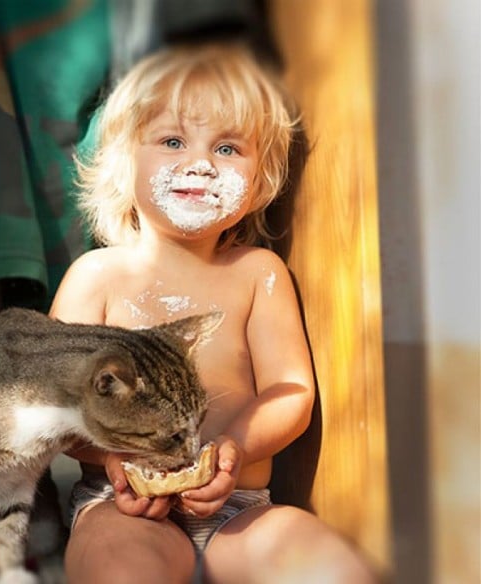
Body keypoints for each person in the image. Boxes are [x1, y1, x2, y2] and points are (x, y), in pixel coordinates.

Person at [49, 42, 379, 584]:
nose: (200, 163)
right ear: (123, 163)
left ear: (259, 182)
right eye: (173, 141)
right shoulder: (97, 276)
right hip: (122, 504)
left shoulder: (258, 273)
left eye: (228, 149)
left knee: (329, 566)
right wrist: (114, 456)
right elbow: (56, 407)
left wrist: (236, 448)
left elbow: (290, 390)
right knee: (118, 569)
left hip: (241, 510)